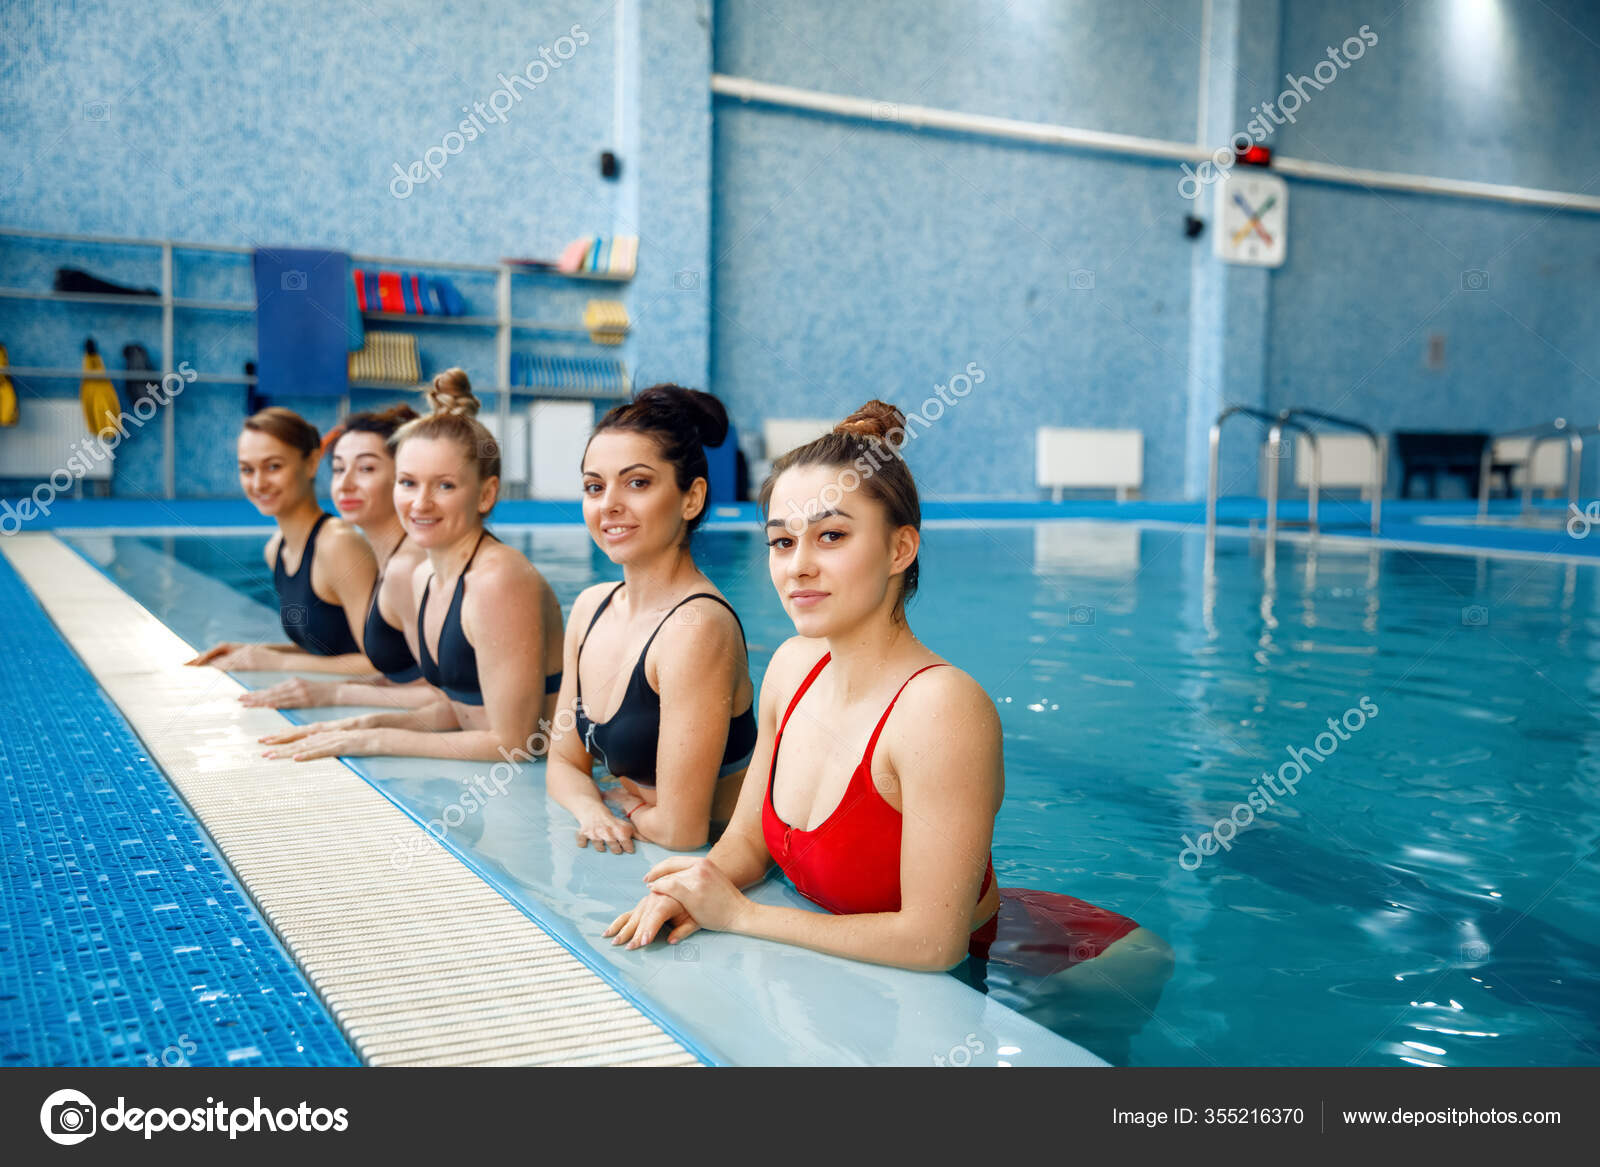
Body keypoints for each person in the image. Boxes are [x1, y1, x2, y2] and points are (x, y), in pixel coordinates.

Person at [603, 400, 1173, 1063]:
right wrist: (698, 887)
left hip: (1055, 970)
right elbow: (752, 839)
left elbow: (936, 942)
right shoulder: (792, 668)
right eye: (783, 541)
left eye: (832, 536)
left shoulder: (940, 708)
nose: (799, 566)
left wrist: (743, 915)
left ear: (900, 547)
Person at [259, 370, 564, 764]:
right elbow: (456, 707)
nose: (420, 504)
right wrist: (355, 726)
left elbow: (513, 744)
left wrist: (374, 741)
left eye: (445, 486)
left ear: (486, 494)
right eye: (407, 483)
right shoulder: (424, 576)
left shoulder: (498, 580)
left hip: (559, 783)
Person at [545, 385, 757, 853]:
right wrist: (594, 811)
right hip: (642, 839)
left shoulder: (695, 627)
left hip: (728, 856)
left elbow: (683, 833)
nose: (609, 505)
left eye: (637, 482)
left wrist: (629, 806)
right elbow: (561, 763)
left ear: (691, 498)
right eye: (594, 486)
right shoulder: (590, 608)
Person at [240, 405, 439, 711]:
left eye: (366, 468)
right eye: (338, 468)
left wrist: (332, 694)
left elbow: (428, 685)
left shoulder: (398, 562)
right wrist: (259, 653)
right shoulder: (276, 549)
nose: (345, 484)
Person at [187, 407, 376, 674]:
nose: (259, 483)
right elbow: (326, 647)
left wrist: (278, 661)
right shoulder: (276, 549)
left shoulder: (339, 544)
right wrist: (256, 651)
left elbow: (381, 663)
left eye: (273, 466)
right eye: (247, 470)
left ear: (311, 462)